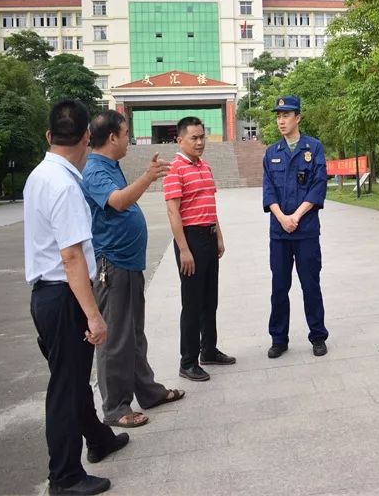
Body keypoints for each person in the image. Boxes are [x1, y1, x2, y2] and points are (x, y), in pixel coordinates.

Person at [24, 100, 128, 496]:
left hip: (47, 296)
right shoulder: (66, 186)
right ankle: (65, 477)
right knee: (66, 389)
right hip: (64, 295)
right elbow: (71, 258)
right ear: (87, 136)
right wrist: (94, 317)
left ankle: (99, 439)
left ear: (49, 136)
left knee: (71, 379)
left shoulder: (39, 174)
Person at [81, 110, 185, 429]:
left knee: (134, 334)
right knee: (115, 338)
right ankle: (115, 407)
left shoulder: (110, 166)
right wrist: (148, 176)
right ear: (111, 136)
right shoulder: (96, 170)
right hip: (112, 266)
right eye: (126, 134)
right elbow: (118, 202)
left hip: (128, 263)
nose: (129, 139)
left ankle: (147, 390)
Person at [164, 116, 235, 382]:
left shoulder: (204, 166)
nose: (200, 142)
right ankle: (188, 361)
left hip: (208, 235)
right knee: (192, 303)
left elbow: (210, 203)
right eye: (194, 138)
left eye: (202, 136)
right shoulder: (175, 169)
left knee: (209, 299)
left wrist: (219, 236)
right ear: (180, 140)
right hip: (190, 239)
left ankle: (209, 350)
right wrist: (184, 249)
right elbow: (173, 211)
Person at [262, 95, 329, 358]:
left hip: (306, 232)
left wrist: (296, 217)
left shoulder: (314, 148)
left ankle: (318, 336)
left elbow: (318, 186)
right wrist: (282, 218)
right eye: (278, 115)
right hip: (280, 233)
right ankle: (279, 338)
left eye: (286, 115)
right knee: (279, 286)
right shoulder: (271, 153)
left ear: (298, 117)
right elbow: (269, 191)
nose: (281, 120)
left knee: (310, 284)